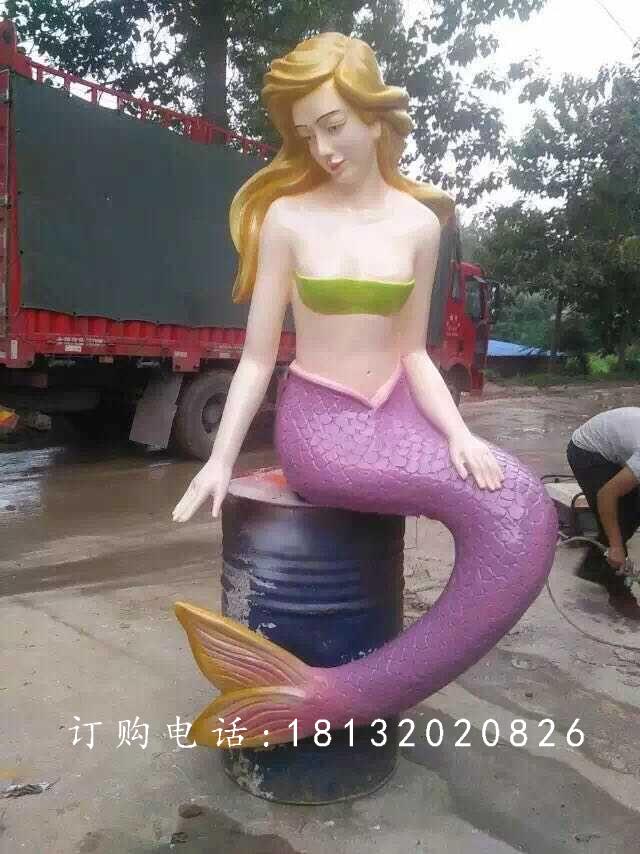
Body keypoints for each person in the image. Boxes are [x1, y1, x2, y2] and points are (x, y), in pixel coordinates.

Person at [170, 33, 558, 750]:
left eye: (334, 125)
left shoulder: (420, 223)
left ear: (376, 118)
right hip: (324, 429)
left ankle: (341, 694)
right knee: (515, 509)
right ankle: (338, 697)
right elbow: (256, 359)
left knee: (521, 509)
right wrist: (220, 459)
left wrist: (459, 434)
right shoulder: (288, 217)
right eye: (306, 134)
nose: (322, 149)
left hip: (401, 413)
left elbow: (413, 352)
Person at [567, 407, 640, 607]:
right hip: (587, 450)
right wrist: (616, 546)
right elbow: (606, 495)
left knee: (631, 511)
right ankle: (619, 594)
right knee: (620, 519)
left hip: (615, 439)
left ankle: (592, 567)